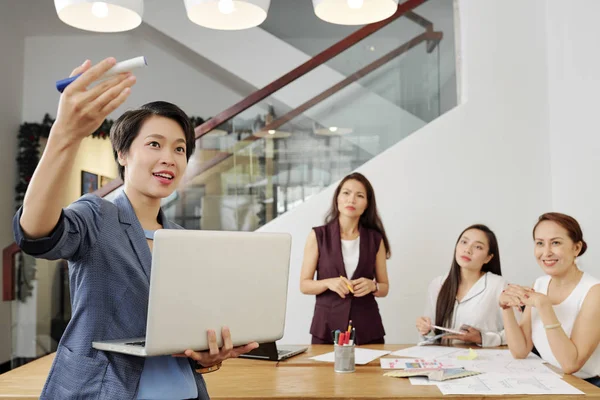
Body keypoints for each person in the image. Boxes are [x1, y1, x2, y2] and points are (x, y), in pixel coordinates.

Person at [12, 58, 257, 399]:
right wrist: (65, 134)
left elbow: (182, 333)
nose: (169, 158)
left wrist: (206, 357)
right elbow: (35, 233)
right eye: (154, 144)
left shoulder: (182, 240)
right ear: (123, 154)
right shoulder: (96, 215)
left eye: (180, 149)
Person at [501, 213, 600, 387]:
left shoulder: (594, 292)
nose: (546, 252)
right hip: (554, 380)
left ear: (576, 248)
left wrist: (545, 306)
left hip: (589, 387)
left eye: (556, 243)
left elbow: (570, 364)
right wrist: (505, 307)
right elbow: (520, 350)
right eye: (540, 243)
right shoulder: (540, 284)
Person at [299, 172, 390, 345]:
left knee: (371, 372)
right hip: (326, 327)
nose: (351, 200)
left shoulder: (375, 239)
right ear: (337, 198)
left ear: (367, 204)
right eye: (346, 193)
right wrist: (328, 283)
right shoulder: (318, 236)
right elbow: (304, 285)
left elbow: (384, 288)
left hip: (368, 327)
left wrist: (373, 286)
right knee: (323, 373)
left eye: (360, 195)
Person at [416, 224, 507, 347]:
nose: (467, 250)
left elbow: (518, 334)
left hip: (482, 361)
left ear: (488, 258)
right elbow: (430, 338)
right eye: (464, 242)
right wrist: (425, 329)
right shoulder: (438, 284)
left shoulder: (498, 285)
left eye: (478, 247)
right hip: (445, 360)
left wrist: (482, 338)